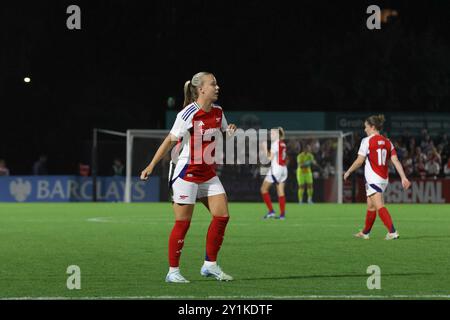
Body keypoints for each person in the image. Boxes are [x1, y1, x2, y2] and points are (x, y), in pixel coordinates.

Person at [140, 72, 237, 283]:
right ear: (201, 89)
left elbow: (221, 134)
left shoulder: (219, 112)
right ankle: (172, 272)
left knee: (222, 216)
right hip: (186, 173)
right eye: (213, 84)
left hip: (207, 173)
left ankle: (209, 265)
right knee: (183, 223)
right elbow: (169, 141)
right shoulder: (188, 113)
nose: (217, 87)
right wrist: (151, 165)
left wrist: (229, 132)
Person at [344, 115, 411, 240]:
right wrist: (403, 177)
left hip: (373, 178)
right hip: (383, 179)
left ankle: (392, 231)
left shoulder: (367, 141)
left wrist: (348, 171)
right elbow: (395, 161)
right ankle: (365, 232)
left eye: (366, 127)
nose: (365, 130)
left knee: (379, 206)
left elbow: (359, 161)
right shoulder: (388, 142)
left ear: (373, 127)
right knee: (371, 206)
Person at [260, 127, 288, 219]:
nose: (270, 135)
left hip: (276, 169)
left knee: (263, 189)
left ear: (277, 135)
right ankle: (282, 215)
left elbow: (270, 158)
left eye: (272, 134)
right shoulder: (282, 143)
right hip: (284, 169)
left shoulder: (275, 143)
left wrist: (264, 148)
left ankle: (271, 211)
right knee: (280, 192)